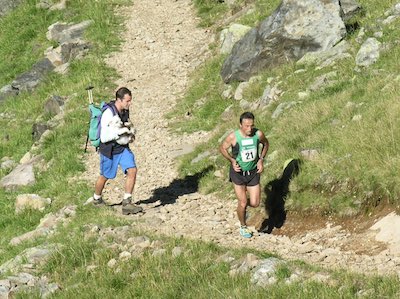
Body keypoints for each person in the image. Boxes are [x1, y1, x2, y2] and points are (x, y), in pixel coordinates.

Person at [92, 87, 143, 215]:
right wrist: (119, 133)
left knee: (132, 170)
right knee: (105, 176)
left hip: (122, 148)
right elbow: (104, 137)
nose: (129, 103)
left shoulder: (125, 111)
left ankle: (127, 202)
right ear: (119, 100)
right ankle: (96, 198)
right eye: (127, 101)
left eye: (130, 101)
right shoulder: (108, 114)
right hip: (109, 151)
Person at [219, 112, 269, 238]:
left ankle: (242, 206)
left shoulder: (258, 134)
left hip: (253, 172)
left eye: (251, 126)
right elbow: (222, 148)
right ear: (240, 125)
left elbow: (266, 144)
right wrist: (232, 160)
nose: (249, 129)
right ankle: (243, 226)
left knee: (255, 203)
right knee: (242, 202)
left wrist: (261, 159)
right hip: (238, 173)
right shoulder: (233, 137)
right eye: (246, 126)